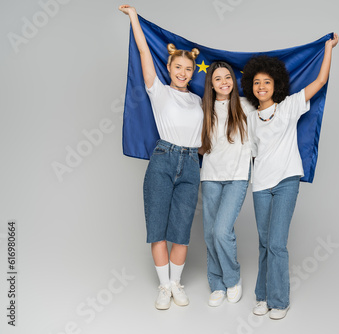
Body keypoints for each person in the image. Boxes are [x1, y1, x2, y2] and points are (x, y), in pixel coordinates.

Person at [241, 33, 339, 320]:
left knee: (276, 243)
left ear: (276, 85)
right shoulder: (250, 116)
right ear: (251, 86)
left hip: (286, 181)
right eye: (257, 82)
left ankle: (279, 300)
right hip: (260, 185)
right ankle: (262, 296)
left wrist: (327, 48)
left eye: (267, 82)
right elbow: (253, 152)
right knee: (262, 243)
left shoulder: (288, 107)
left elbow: (319, 82)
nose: (261, 86)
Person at [119, 5, 203, 310]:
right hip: (163, 160)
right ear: (169, 68)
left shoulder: (198, 100)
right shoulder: (159, 92)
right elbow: (143, 52)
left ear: (193, 73)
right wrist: (133, 18)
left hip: (192, 164)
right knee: (157, 226)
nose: (183, 73)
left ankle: (177, 284)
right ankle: (164, 286)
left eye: (188, 69)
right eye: (178, 67)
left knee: (181, 230)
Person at [199, 61, 254, 307]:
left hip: (237, 176)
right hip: (210, 175)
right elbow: (199, 144)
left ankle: (232, 279)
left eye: (228, 77)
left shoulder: (246, 105)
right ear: (211, 84)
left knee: (222, 230)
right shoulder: (203, 109)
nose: (224, 82)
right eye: (218, 78)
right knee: (211, 234)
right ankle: (217, 283)